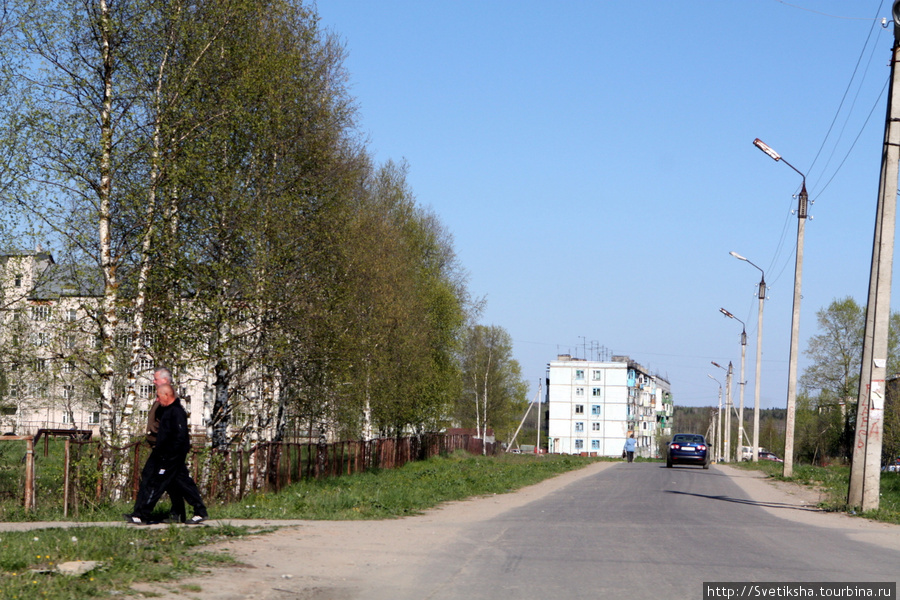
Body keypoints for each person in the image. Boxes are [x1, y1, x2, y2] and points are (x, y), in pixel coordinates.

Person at [125, 383, 208, 525]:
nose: (157, 399)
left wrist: (170, 455)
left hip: (170, 455)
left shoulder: (176, 412)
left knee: (157, 482)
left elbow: (180, 437)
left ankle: (141, 514)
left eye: (158, 396)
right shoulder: (167, 410)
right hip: (162, 452)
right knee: (180, 482)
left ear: (167, 396)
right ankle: (197, 511)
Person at [143, 368, 185, 523]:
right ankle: (178, 513)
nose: (153, 382)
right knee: (173, 480)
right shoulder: (160, 398)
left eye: (156, 379)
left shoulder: (168, 400)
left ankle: (142, 513)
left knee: (156, 478)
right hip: (160, 446)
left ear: (165, 380)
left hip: (165, 448)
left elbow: (171, 425)